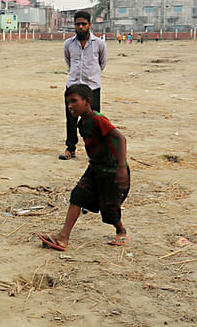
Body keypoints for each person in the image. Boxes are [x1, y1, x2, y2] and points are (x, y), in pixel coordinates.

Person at [38, 83, 130, 250]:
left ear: (87, 101)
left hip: (112, 170)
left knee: (109, 206)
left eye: (74, 101)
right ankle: (63, 237)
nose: (70, 106)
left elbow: (121, 138)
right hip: (95, 168)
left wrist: (122, 168)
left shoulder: (98, 119)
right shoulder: (81, 123)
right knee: (77, 196)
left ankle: (121, 230)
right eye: (68, 102)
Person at [60, 10, 107, 160]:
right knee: (71, 120)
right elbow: (68, 62)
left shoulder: (99, 44)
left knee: (94, 120)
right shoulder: (68, 44)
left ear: (89, 25)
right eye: (78, 24)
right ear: (74, 25)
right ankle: (70, 148)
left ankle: (95, 151)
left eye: (83, 24)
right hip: (73, 86)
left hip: (92, 88)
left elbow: (102, 63)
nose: (80, 27)